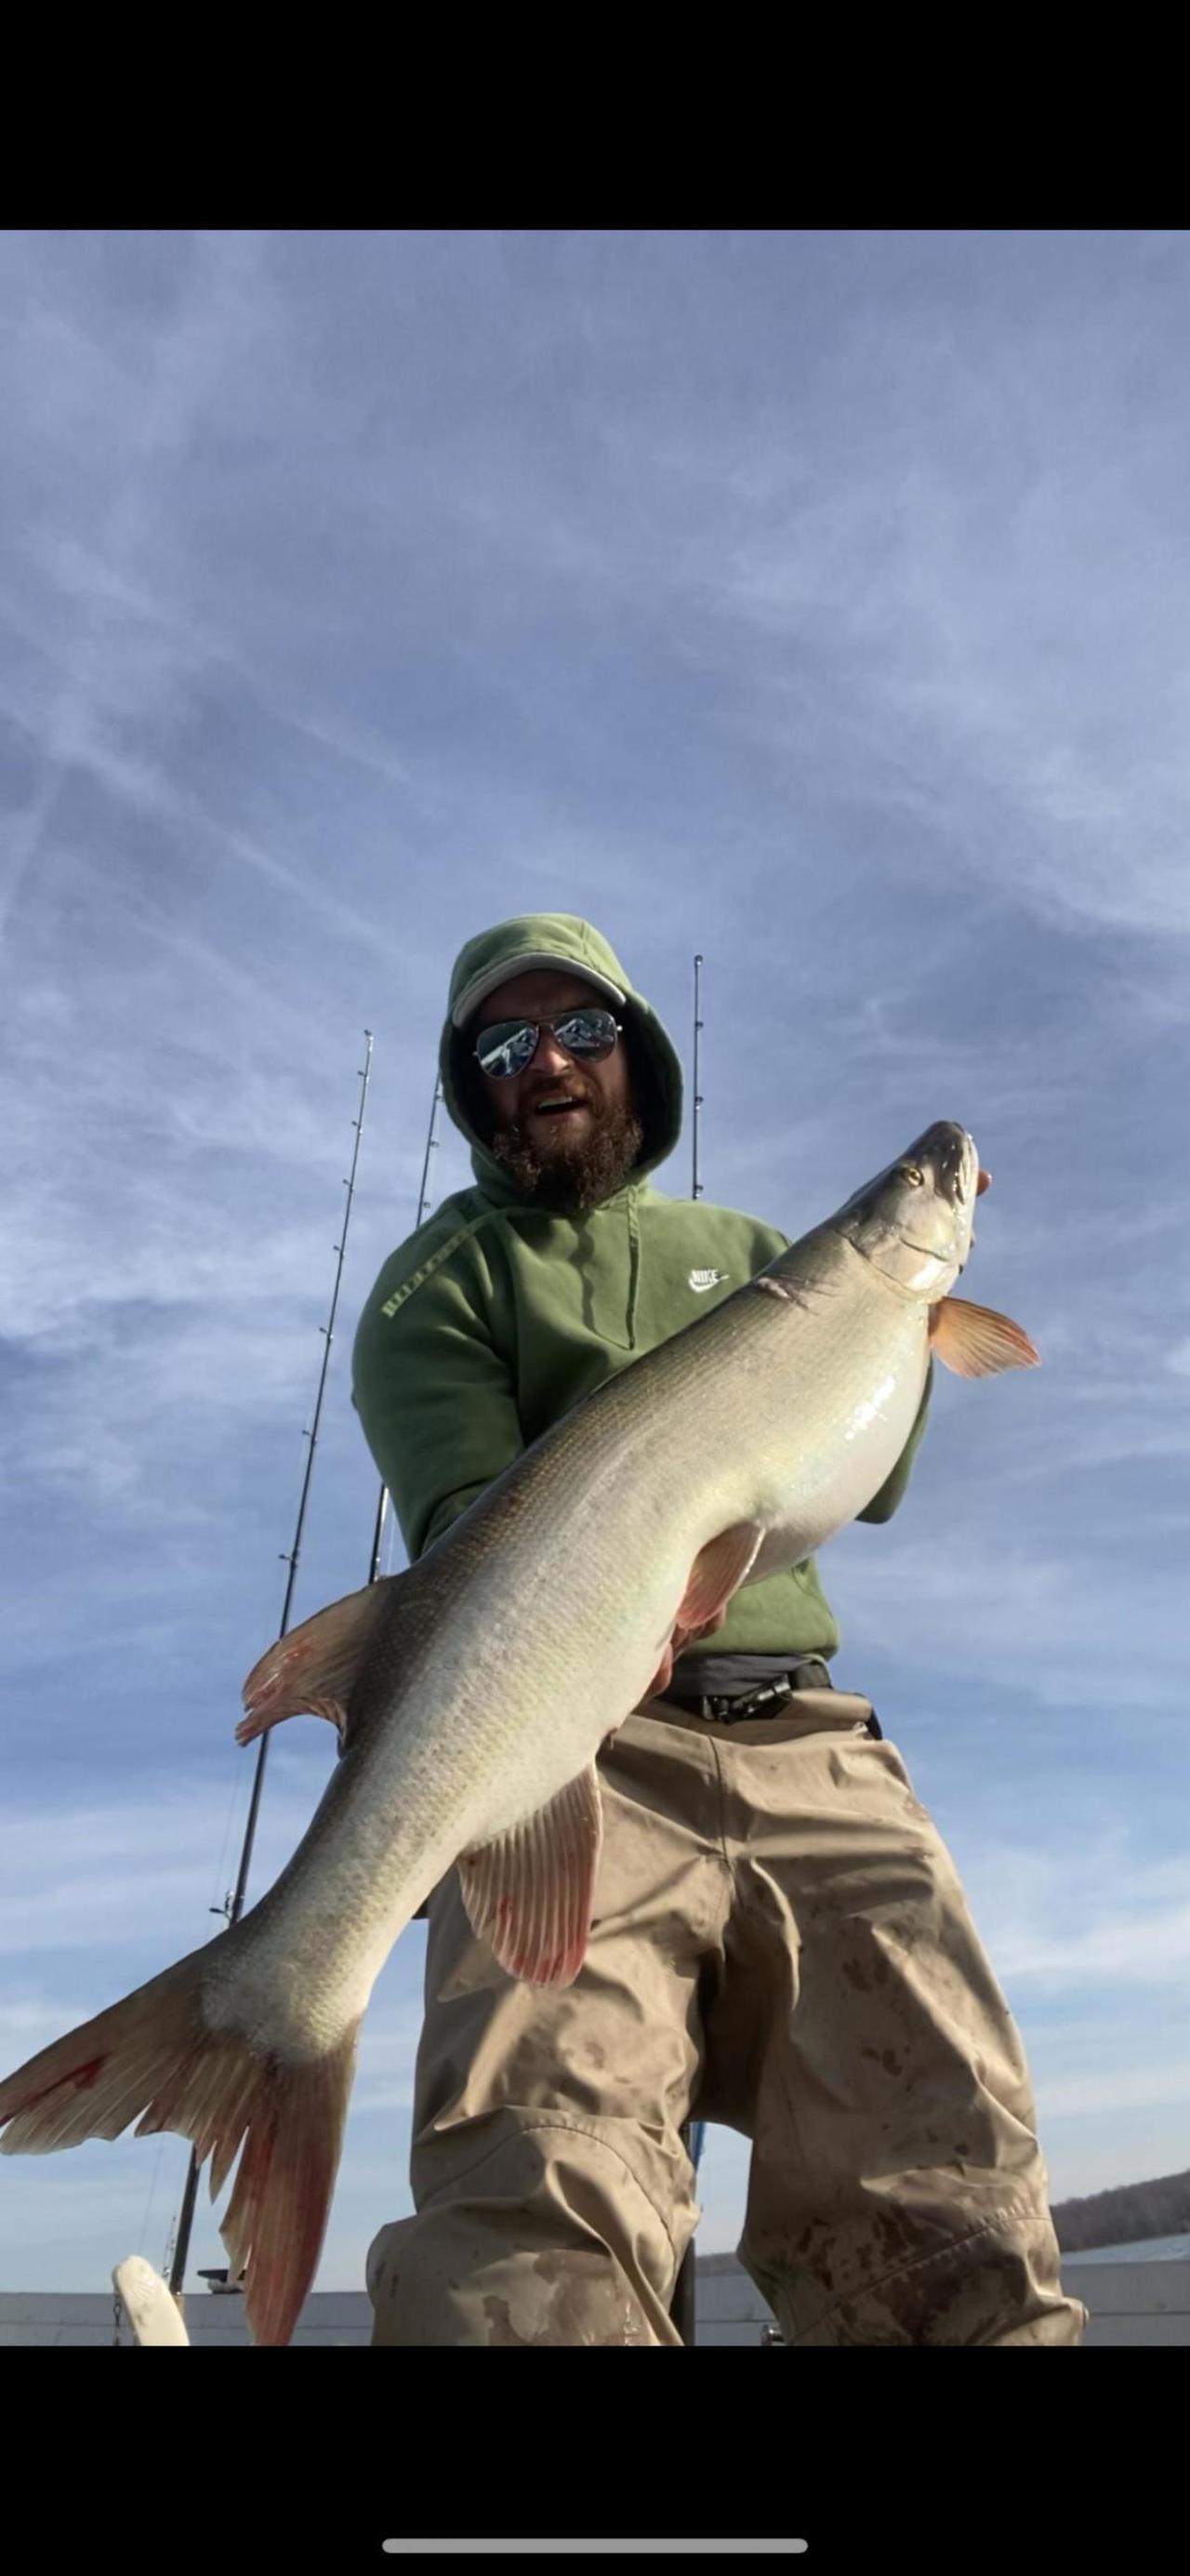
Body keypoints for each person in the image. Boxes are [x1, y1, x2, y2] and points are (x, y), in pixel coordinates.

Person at [350, 911, 1085, 2347]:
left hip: (813, 1739)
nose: (547, 1060)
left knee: (951, 2198)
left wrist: (910, 1294)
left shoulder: (759, 1251)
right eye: (505, 1043)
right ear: (471, 1083)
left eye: (581, 1026)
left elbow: (867, 1476)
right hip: (574, 1756)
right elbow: (465, 1550)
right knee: (535, 2220)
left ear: (636, 1048)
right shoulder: (432, 1285)